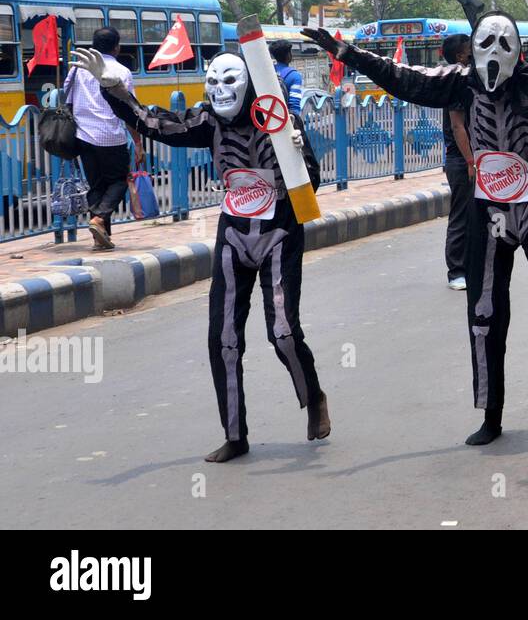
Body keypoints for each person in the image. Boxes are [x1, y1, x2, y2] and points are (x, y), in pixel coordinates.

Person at [302, 16, 528, 447]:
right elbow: (403, 77)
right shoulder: (460, 84)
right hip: (487, 208)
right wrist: (347, 53)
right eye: (486, 43)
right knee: (485, 312)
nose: (494, 53)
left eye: (503, 44)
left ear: (517, 50)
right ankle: (491, 414)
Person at [72, 46, 329, 463]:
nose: (220, 90)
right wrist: (114, 90)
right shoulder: (209, 121)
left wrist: (297, 153)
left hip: (279, 233)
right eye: (212, 82)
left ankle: (312, 395)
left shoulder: (279, 118)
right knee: (223, 339)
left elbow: (311, 185)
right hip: (234, 235)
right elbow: (155, 123)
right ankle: (235, 435)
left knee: (283, 333)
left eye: (229, 81)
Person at [62, 27, 141, 251]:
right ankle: (99, 219)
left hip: (83, 135)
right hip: (111, 136)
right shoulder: (122, 71)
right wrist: (138, 142)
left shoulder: (77, 69)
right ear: (116, 47)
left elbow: (67, 96)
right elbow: (129, 109)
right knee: (119, 181)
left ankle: (100, 238)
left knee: (96, 185)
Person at [441, 34, 473, 291]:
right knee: (461, 213)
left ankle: (473, 265)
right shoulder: (456, 82)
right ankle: (456, 271)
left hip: (474, 158)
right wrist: (470, 161)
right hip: (462, 159)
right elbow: (457, 125)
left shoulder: (472, 78)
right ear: (460, 55)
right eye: (470, 50)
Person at [269, 40, 304, 116]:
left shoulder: (268, 71)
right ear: (288, 55)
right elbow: (294, 105)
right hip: (283, 118)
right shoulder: (295, 76)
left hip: (264, 116)